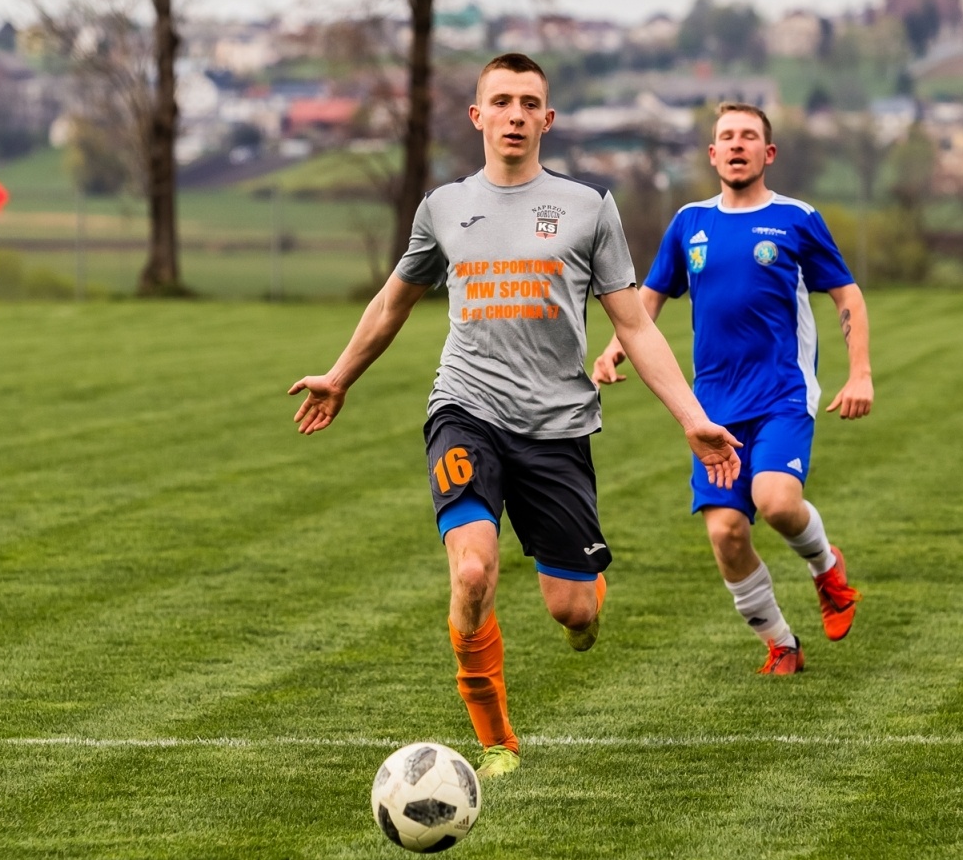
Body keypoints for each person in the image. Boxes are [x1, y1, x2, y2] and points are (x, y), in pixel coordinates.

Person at [288, 53, 741, 779]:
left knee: (575, 613)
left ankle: (583, 597)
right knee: (472, 570)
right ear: (478, 116)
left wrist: (691, 417)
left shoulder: (590, 208)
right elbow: (392, 302)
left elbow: (636, 325)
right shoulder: (442, 207)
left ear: (548, 120)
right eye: (501, 101)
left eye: (530, 103)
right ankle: (497, 741)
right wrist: (340, 376)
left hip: (558, 428)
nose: (516, 114)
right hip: (464, 409)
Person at [591, 102, 871, 676]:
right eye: (726, 137)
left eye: (749, 136)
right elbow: (649, 298)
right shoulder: (689, 222)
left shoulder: (797, 219)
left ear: (768, 153)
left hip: (781, 395)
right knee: (725, 532)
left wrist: (860, 372)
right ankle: (781, 643)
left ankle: (826, 570)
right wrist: (617, 345)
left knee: (776, 501)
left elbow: (847, 295)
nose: (737, 144)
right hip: (711, 408)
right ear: (713, 153)